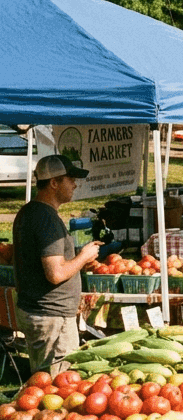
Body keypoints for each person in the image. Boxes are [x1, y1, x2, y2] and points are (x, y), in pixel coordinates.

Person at [14, 155, 102, 372]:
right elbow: (55, 274)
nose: (75, 184)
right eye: (70, 179)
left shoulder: (30, 211)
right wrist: (83, 256)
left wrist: (79, 263)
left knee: (44, 379)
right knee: (56, 383)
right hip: (52, 317)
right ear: (54, 183)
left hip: (41, 313)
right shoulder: (46, 218)